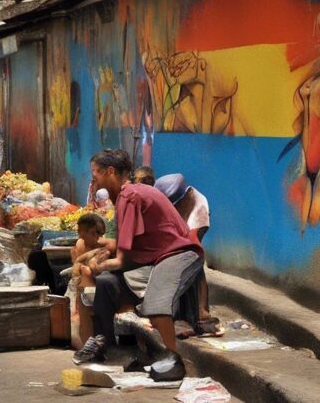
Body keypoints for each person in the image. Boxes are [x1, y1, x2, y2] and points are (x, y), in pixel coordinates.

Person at [76, 149, 203, 382]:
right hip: (154, 258)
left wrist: (96, 266)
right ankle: (120, 346)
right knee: (108, 285)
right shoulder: (124, 197)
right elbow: (127, 247)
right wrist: (102, 255)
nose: (92, 180)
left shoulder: (130, 196)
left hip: (178, 254)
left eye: (95, 175)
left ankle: (173, 361)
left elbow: (122, 259)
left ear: (110, 172)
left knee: (155, 306)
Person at [152, 174, 216, 331]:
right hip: (179, 218)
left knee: (193, 257)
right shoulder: (164, 197)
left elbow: (192, 244)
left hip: (193, 218)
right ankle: (179, 311)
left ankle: (201, 311)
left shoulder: (198, 207)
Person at [68, 212, 116, 348]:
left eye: (82, 232)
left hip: (101, 289)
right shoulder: (81, 244)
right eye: (79, 232)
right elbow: (78, 267)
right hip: (83, 289)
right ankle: (87, 345)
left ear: (94, 232)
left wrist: (96, 255)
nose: (80, 235)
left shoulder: (109, 245)